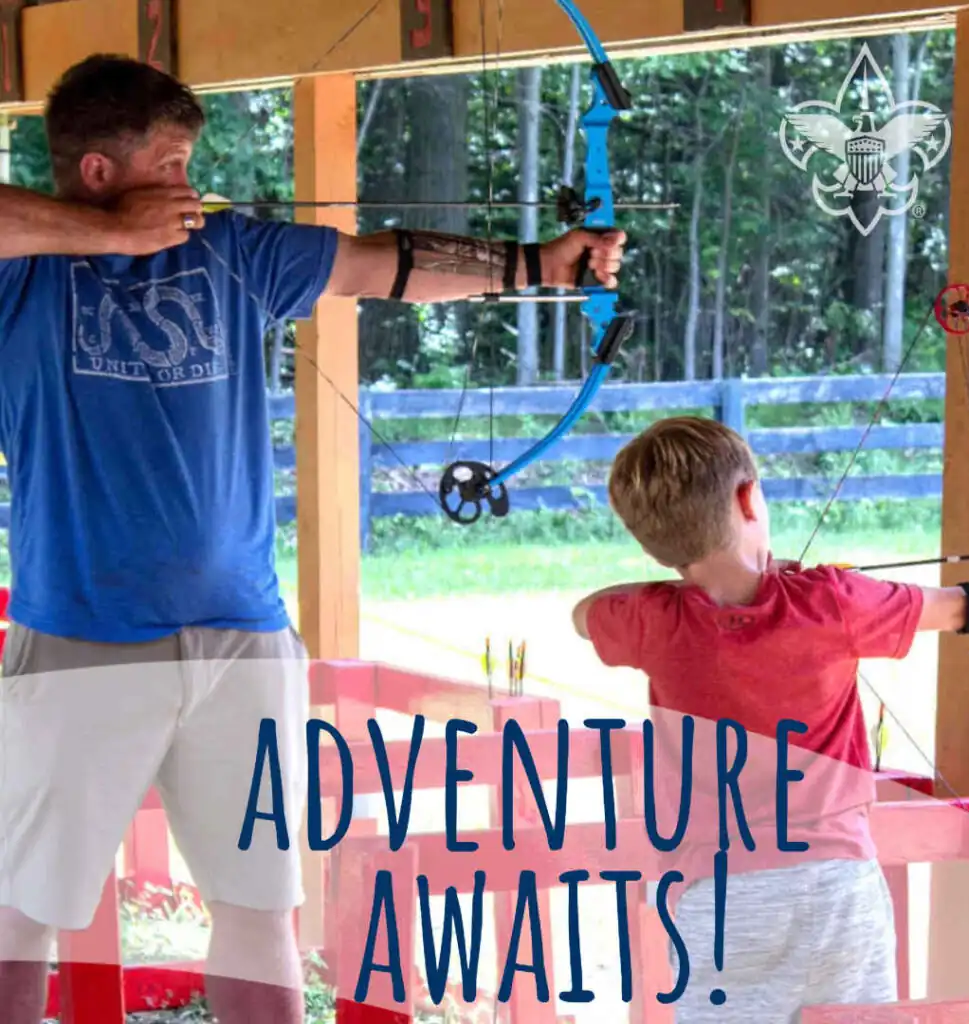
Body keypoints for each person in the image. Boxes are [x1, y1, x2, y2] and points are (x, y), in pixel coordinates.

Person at [0, 53, 626, 1024]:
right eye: (168, 164)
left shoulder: (229, 251)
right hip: (82, 633)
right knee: (20, 912)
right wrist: (106, 238)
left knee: (260, 904)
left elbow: (386, 263)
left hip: (243, 636)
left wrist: (538, 265)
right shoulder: (24, 274)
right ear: (96, 173)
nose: (187, 183)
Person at [570, 415, 969, 1023]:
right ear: (748, 498)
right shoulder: (831, 601)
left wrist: (676, 587)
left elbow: (585, 612)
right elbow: (965, 608)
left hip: (719, 900)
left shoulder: (650, 620)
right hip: (836, 886)